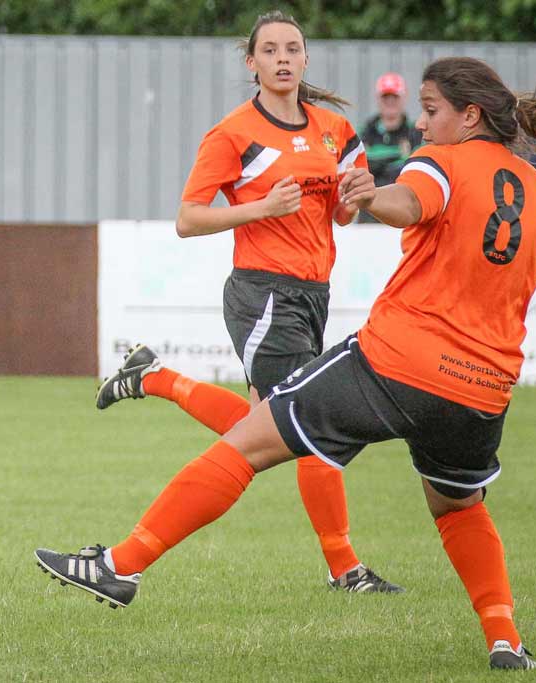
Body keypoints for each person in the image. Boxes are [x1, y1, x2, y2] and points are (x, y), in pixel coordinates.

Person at [38, 56, 536, 671]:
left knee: (248, 442)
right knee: (458, 506)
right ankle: (504, 640)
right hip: (483, 391)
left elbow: (413, 202)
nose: (420, 124)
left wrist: (372, 196)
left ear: (470, 116)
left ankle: (119, 567)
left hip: (397, 362)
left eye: (431, 109)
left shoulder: (443, 161)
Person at [95, 10, 401, 593]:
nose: (283, 57)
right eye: (271, 50)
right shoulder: (233, 133)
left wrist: (355, 197)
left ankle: (155, 377)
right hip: (262, 295)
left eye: (293, 48)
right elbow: (188, 219)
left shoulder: (337, 130)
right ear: (252, 62)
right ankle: (345, 569)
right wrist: (260, 208)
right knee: (310, 420)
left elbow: (343, 213)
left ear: (306, 59)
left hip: (314, 294)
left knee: (268, 424)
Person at [360, 72, 425, 188]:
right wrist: (399, 156)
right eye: (386, 97)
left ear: (404, 97)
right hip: (370, 199)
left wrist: (374, 160)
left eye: (395, 97)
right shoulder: (364, 132)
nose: (390, 102)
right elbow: (359, 167)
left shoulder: (417, 132)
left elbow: (417, 168)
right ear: (378, 99)